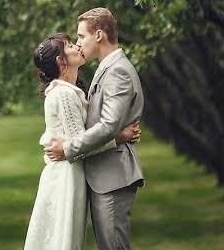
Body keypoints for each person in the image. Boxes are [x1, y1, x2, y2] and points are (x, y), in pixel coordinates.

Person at [23, 32, 141, 250]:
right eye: (69, 45)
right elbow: (81, 145)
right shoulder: (63, 94)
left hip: (73, 173)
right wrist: (120, 137)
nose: (78, 46)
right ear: (60, 60)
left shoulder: (70, 91)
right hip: (65, 176)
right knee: (63, 240)